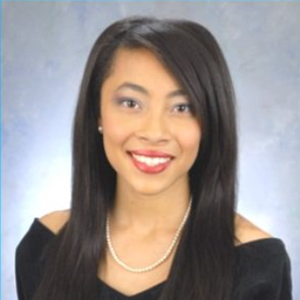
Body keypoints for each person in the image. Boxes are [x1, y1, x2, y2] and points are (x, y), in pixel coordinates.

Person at [15, 16, 292, 300]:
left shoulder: (257, 264)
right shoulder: (45, 247)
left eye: (182, 107)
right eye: (131, 103)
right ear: (97, 112)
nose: (154, 132)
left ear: (209, 122)